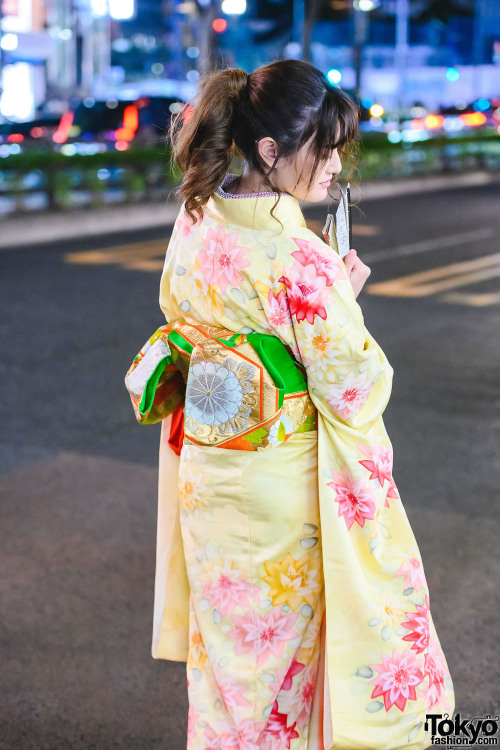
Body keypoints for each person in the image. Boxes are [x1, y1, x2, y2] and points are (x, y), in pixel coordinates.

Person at [151, 59, 455, 749]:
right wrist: (341, 298)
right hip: (280, 483)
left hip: (210, 473)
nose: (334, 164)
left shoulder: (197, 217)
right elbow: (355, 386)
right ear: (270, 150)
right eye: (324, 145)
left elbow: (174, 304)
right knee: (286, 660)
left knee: (228, 649)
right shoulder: (303, 260)